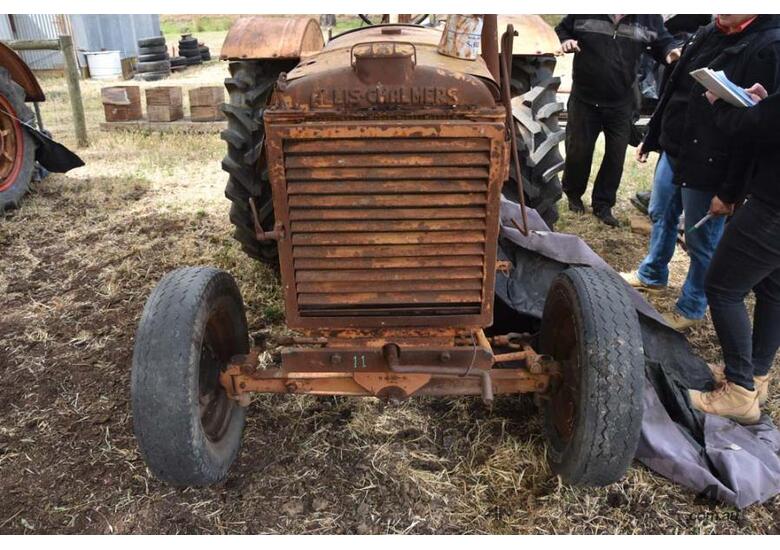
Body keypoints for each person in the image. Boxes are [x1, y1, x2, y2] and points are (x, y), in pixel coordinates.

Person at [621, 14, 780, 331]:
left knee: (701, 241)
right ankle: (653, 274)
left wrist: (731, 191)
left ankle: (692, 306)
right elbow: (673, 89)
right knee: (660, 214)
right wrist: (654, 137)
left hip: (712, 162)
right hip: (676, 147)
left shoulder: (769, 46)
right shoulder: (708, 32)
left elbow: (757, 130)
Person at [688, 84, 780, 424]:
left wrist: (721, 103)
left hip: (773, 206)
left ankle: (739, 391)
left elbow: (750, 126)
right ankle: (756, 376)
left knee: (723, 288)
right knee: (773, 290)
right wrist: (765, 104)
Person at [555, 15, 680, 227]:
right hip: (584, 97)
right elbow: (562, 30)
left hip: (621, 101)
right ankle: (573, 194)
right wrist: (565, 40)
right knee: (579, 150)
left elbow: (664, 42)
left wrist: (671, 52)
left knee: (615, 155)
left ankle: (603, 204)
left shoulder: (648, 17)